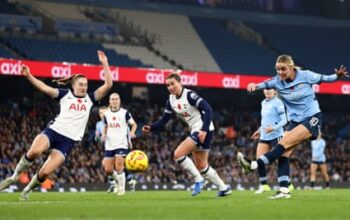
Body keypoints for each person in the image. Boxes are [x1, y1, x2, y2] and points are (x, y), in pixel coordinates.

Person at [0, 50, 113, 200]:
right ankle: (14, 177)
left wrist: (104, 62)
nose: (84, 87)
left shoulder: (91, 99)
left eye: (86, 85)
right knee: (34, 152)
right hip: (53, 131)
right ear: (73, 85)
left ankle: (27, 190)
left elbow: (109, 84)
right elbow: (44, 87)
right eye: (81, 84)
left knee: (45, 172)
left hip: (68, 141)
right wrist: (29, 76)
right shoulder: (64, 94)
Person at [238, 54, 347, 199]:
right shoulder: (277, 81)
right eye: (277, 69)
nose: (280, 72)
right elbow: (263, 85)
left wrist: (337, 76)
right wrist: (253, 86)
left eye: (283, 69)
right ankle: (284, 191)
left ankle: (253, 165)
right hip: (295, 122)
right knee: (284, 154)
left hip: (312, 118)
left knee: (283, 143)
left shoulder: (306, 76)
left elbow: (325, 78)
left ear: (291, 67)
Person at [142, 72, 231, 197]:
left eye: (173, 84)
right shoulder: (171, 100)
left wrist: (204, 130)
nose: (170, 87)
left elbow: (208, 109)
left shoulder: (190, 95)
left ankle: (198, 179)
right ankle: (224, 188)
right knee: (202, 166)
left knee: (178, 154)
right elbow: (164, 120)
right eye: (168, 85)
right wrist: (151, 127)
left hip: (203, 129)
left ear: (180, 82)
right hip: (197, 130)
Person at [250, 89, 287, 194]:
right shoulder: (263, 102)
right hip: (265, 135)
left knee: (279, 160)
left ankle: (287, 183)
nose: (267, 91)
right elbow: (265, 121)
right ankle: (264, 185)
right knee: (259, 159)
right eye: (265, 89)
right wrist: (259, 130)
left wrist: (274, 128)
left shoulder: (278, 102)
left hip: (277, 135)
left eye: (270, 90)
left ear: (275, 91)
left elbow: (284, 120)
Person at [101, 93, 137, 196]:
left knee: (119, 167)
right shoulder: (106, 114)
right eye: (112, 99)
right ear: (109, 101)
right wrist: (104, 134)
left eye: (116, 99)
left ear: (119, 101)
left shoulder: (124, 113)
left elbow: (134, 124)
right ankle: (118, 183)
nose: (114, 101)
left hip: (121, 143)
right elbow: (105, 126)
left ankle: (122, 189)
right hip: (109, 144)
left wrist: (132, 132)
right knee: (108, 169)